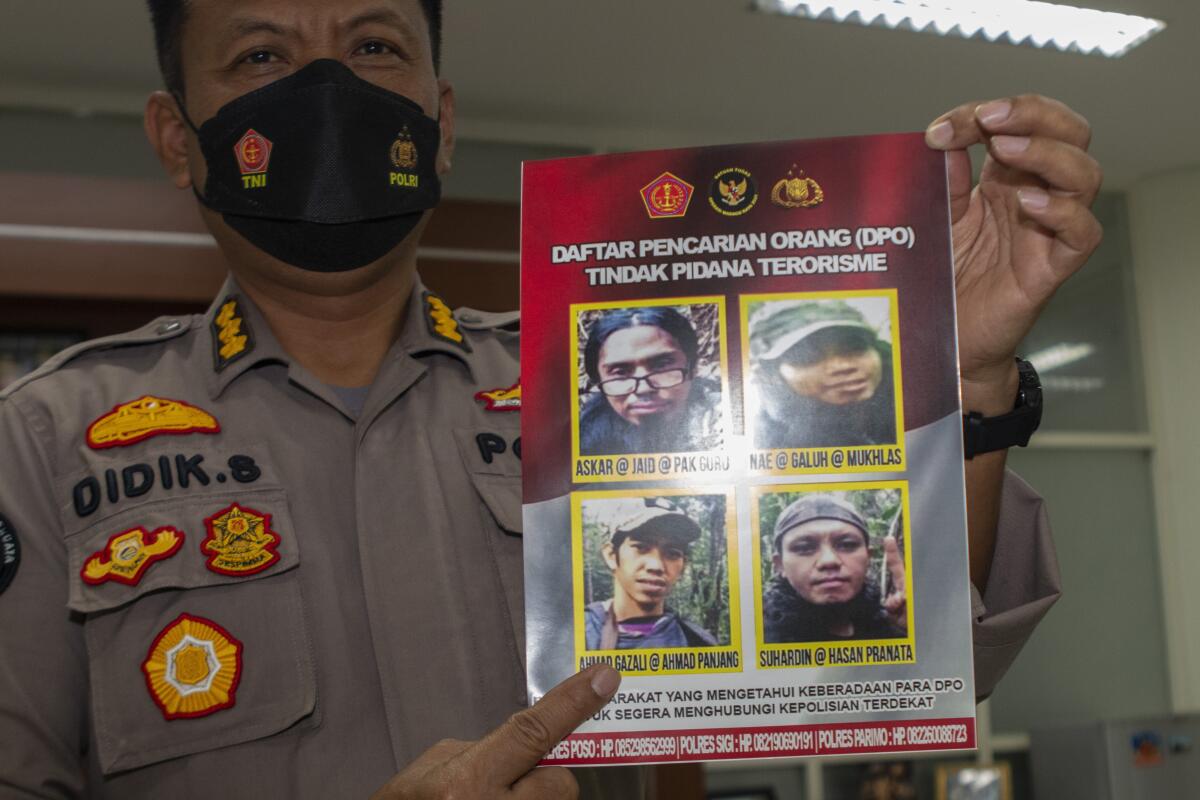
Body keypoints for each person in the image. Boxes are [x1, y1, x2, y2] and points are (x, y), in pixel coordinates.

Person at [0, 0, 1102, 795]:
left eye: (374, 46)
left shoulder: (624, 398)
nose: (323, 94)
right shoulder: (51, 441)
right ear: (173, 137)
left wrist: (967, 377)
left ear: (438, 117)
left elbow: (910, 653)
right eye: (259, 53)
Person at [749, 298, 896, 449]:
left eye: (855, 346)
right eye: (807, 356)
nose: (842, 366)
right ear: (771, 375)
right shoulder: (770, 443)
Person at [579, 306, 722, 456]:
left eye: (662, 365)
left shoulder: (723, 423)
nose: (643, 389)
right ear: (598, 381)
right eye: (620, 372)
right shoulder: (581, 440)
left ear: (693, 368)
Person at [763, 494, 906, 644]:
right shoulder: (758, 642)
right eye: (804, 548)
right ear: (780, 565)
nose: (829, 560)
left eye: (847, 545)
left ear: (868, 558)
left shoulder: (889, 627)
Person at [584, 498, 719, 649]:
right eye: (641, 547)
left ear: (683, 566)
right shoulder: (578, 633)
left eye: (672, 554)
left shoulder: (697, 643)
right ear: (611, 555)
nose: (656, 566)